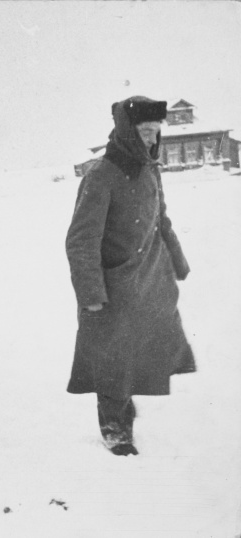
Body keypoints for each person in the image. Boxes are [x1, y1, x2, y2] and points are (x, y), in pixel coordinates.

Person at [65, 96, 195, 456]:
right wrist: (91, 293)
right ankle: (115, 426)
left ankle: (123, 402)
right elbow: (81, 240)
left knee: (149, 342)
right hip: (114, 282)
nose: (152, 141)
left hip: (150, 274)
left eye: (156, 133)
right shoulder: (101, 174)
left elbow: (161, 218)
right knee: (112, 355)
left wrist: (177, 260)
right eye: (145, 133)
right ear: (127, 131)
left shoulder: (151, 168)